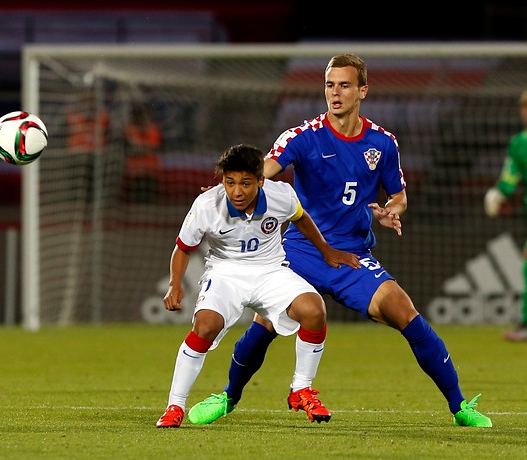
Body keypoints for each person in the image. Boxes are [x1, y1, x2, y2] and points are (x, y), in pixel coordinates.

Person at [188, 54, 492, 428]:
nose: (335, 92)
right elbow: (261, 173)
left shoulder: (383, 143)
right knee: (266, 325)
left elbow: (399, 195)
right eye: (330, 85)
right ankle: (228, 397)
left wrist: (387, 209)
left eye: (345, 85)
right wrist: (227, 187)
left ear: (362, 90)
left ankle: (460, 407)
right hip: (301, 250)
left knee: (405, 312)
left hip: (352, 256)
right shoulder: (302, 138)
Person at [155, 144, 360, 428]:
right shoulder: (206, 206)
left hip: (270, 271)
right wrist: (175, 284)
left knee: (314, 310)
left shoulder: (280, 195)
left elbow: (301, 217)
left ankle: (301, 389)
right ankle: (174, 406)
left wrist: (326, 250)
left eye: (245, 183)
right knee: (205, 326)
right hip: (226, 273)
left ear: (261, 180)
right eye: (230, 183)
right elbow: (182, 248)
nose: (236, 191)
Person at [484, 89, 527, 341]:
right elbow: (509, 180)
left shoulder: (520, 143)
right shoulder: (519, 144)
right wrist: (498, 194)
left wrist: (497, 195)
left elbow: (509, 182)